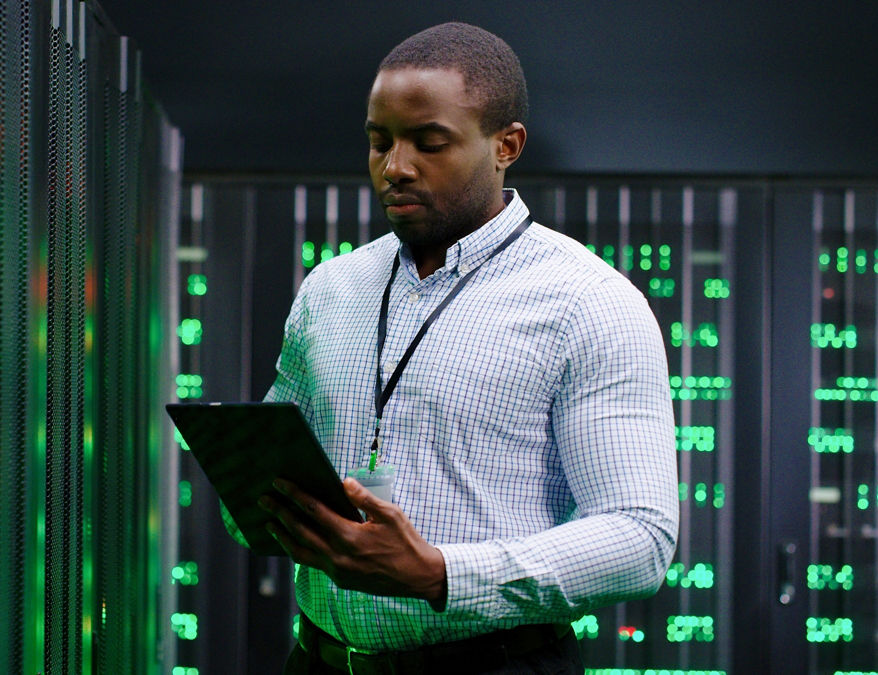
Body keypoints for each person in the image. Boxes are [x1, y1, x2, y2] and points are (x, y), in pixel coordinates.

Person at [255, 22, 679, 674]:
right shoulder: (331, 288)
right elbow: (271, 470)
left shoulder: (588, 301)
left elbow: (640, 538)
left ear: (506, 144)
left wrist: (440, 572)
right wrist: (259, 500)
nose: (394, 167)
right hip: (318, 659)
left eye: (429, 143)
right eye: (378, 142)